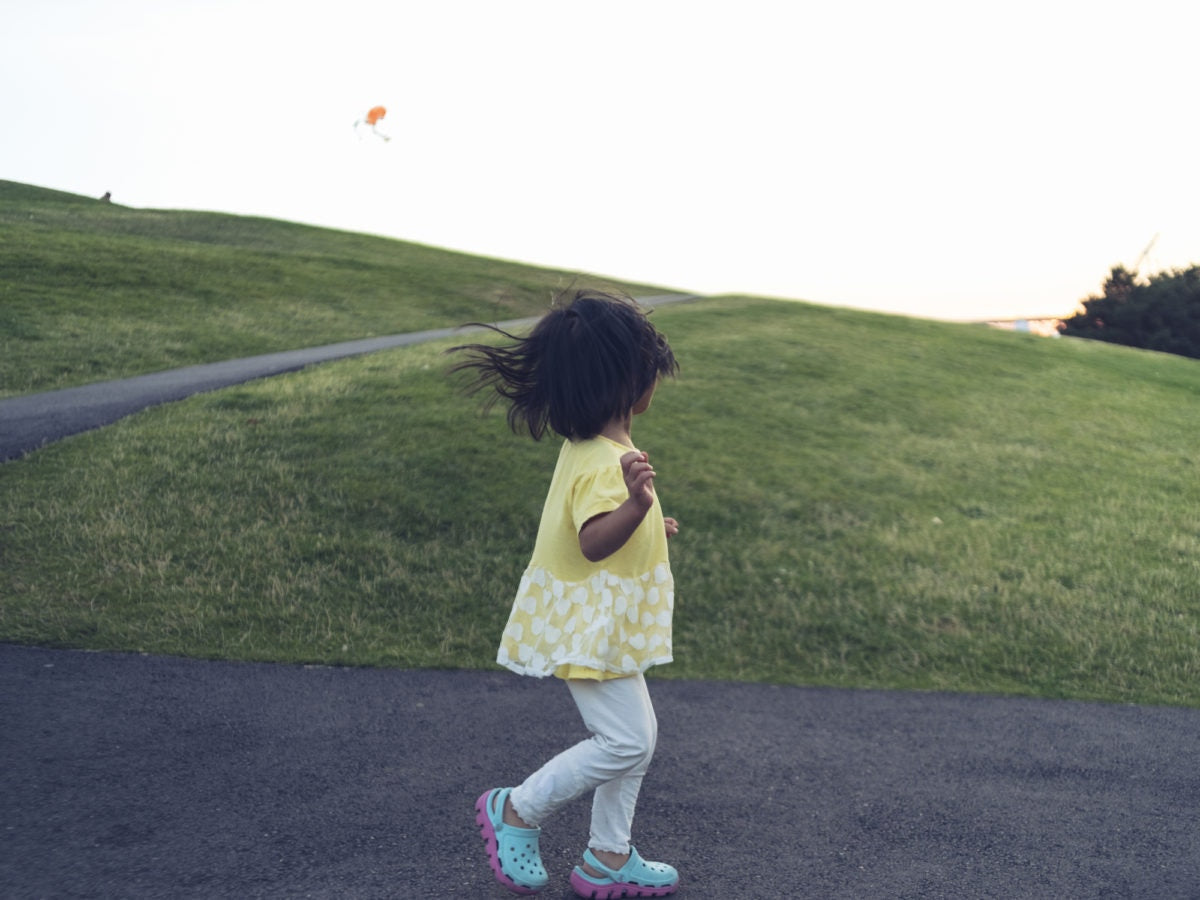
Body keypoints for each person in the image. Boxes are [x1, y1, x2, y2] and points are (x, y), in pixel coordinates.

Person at [449, 289, 682, 898]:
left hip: (600, 622)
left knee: (636, 741)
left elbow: (601, 527)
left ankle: (609, 855)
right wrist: (636, 508)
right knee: (626, 741)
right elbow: (593, 541)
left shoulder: (592, 450)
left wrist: (647, 525)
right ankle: (517, 810)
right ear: (631, 380)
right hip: (591, 626)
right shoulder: (607, 461)